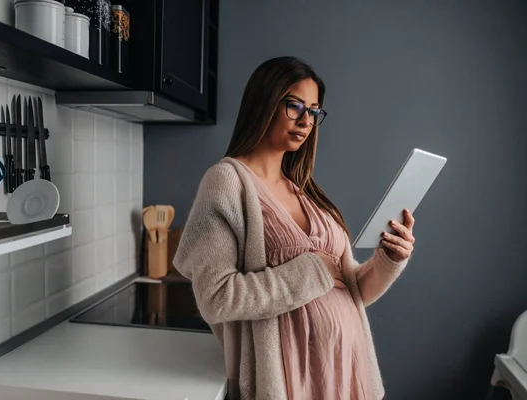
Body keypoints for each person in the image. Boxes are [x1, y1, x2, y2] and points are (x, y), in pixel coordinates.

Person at [173, 56, 415, 400]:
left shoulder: (304, 190)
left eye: (314, 112)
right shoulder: (227, 182)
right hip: (291, 382)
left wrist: (388, 260)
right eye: (294, 106)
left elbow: (351, 290)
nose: (306, 121)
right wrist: (311, 271)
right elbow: (216, 297)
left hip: (345, 371)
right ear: (264, 103)